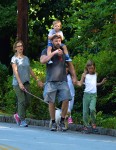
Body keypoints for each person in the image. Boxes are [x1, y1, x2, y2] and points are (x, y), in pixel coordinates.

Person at [40, 35, 77, 131]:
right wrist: (55, 53)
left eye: (59, 41)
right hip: (51, 81)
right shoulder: (46, 51)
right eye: (56, 41)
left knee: (66, 99)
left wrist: (74, 77)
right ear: (52, 41)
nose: (58, 42)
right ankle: (53, 122)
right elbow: (42, 61)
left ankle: (62, 120)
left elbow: (70, 65)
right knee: (51, 101)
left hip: (62, 81)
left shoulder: (64, 52)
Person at [11, 40, 43, 127]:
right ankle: (22, 120)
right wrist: (20, 83)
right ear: (15, 48)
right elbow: (15, 71)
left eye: (21, 45)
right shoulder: (14, 59)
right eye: (18, 46)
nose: (20, 47)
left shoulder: (26, 58)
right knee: (21, 101)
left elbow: (30, 70)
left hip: (26, 82)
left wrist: (37, 80)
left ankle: (17, 115)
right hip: (17, 83)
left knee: (28, 101)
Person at [78, 60, 106, 133]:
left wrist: (101, 83)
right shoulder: (84, 75)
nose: (91, 70)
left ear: (94, 68)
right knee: (85, 111)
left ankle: (93, 124)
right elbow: (80, 83)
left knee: (92, 109)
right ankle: (85, 126)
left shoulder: (95, 74)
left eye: (92, 68)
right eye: (89, 68)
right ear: (87, 68)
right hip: (86, 94)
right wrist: (75, 82)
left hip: (93, 95)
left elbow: (94, 84)